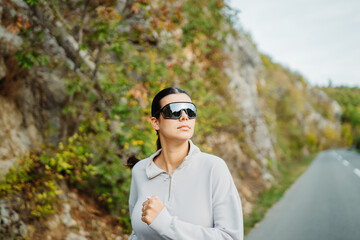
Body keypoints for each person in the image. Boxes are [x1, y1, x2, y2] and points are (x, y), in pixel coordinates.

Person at [127, 87, 243, 240]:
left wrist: (165, 224)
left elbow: (230, 237)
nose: (184, 117)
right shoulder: (140, 170)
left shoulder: (214, 168)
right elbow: (137, 234)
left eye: (190, 110)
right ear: (155, 123)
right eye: (173, 111)